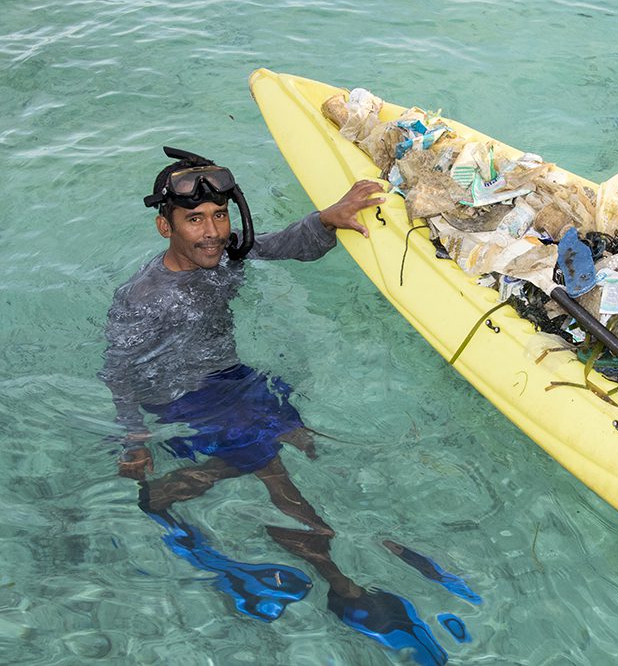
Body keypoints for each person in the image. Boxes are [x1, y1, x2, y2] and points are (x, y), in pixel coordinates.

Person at [100, 146, 448, 665]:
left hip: (231, 378)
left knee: (300, 439)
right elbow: (118, 370)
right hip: (181, 395)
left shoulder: (222, 256)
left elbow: (285, 245)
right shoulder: (145, 297)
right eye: (194, 220)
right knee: (273, 469)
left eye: (219, 215)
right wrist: (133, 437)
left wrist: (327, 218)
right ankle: (340, 579)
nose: (213, 231)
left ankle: (170, 491)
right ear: (163, 227)